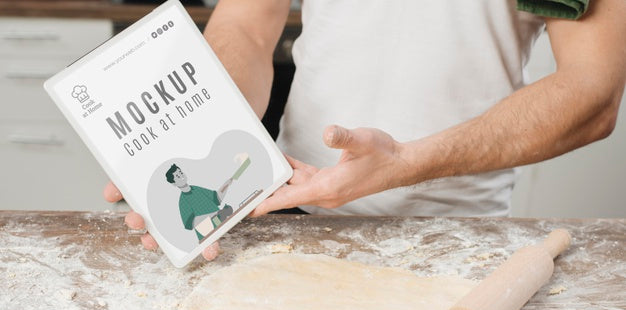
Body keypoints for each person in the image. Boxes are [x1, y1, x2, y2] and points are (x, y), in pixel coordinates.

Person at [104, 0, 626, 261]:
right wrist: (195, 138)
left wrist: (407, 162)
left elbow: (593, 88)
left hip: (457, 232)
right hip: (285, 208)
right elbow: (246, 23)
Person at [165, 164, 234, 241]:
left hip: (221, 223)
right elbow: (192, 222)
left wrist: (226, 185)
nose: (182, 176)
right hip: (208, 234)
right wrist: (216, 214)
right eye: (177, 176)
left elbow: (216, 198)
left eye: (181, 173)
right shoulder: (183, 201)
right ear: (174, 183)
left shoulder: (197, 189)